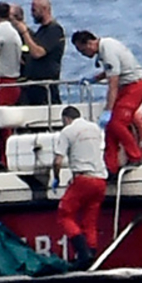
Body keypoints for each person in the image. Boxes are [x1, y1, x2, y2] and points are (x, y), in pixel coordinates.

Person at [71, 30, 142, 174]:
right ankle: (110, 166)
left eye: (83, 51)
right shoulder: (105, 46)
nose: (83, 55)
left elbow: (113, 84)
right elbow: (111, 71)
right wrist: (95, 78)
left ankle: (135, 156)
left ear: (89, 44)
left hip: (133, 87)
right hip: (125, 86)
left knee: (116, 123)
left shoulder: (107, 51)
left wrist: (108, 110)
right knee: (110, 131)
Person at [50, 106, 107, 268]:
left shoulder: (67, 132)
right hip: (100, 179)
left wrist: (56, 177)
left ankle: (83, 253)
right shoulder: (95, 129)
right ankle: (92, 255)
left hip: (83, 179)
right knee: (90, 220)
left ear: (66, 119)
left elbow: (58, 161)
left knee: (64, 214)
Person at [12, 0, 66, 106]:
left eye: (34, 10)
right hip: (32, 89)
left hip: (45, 90)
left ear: (45, 9)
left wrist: (24, 32)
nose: (32, 14)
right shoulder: (40, 32)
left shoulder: (54, 30)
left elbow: (38, 52)